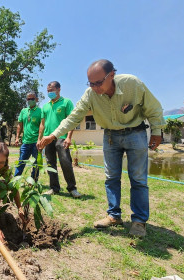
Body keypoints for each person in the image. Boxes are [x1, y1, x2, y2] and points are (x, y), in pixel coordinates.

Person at [39, 59, 165, 237]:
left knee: (138, 179)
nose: (95, 87)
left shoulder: (132, 84)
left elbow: (153, 108)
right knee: (111, 177)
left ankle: (139, 221)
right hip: (110, 136)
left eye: (98, 82)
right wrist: (52, 135)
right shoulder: (90, 94)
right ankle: (114, 215)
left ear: (111, 75)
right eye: (91, 83)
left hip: (135, 133)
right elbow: (74, 117)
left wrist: (157, 131)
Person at [37, 81, 82, 198]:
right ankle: (54, 188)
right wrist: (39, 139)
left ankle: (72, 188)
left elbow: (71, 121)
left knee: (66, 162)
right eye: (48, 91)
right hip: (47, 138)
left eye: (51, 90)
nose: (49, 92)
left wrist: (68, 137)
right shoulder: (45, 106)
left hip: (61, 137)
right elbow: (42, 124)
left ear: (59, 89)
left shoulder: (66, 102)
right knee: (50, 163)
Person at [14, 92, 42, 180]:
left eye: (32, 99)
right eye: (28, 99)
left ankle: (33, 181)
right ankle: (16, 179)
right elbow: (20, 125)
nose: (30, 101)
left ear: (36, 99)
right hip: (25, 142)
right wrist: (17, 137)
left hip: (36, 142)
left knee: (36, 163)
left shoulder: (40, 111)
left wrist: (39, 140)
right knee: (21, 162)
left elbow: (42, 126)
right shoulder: (23, 111)